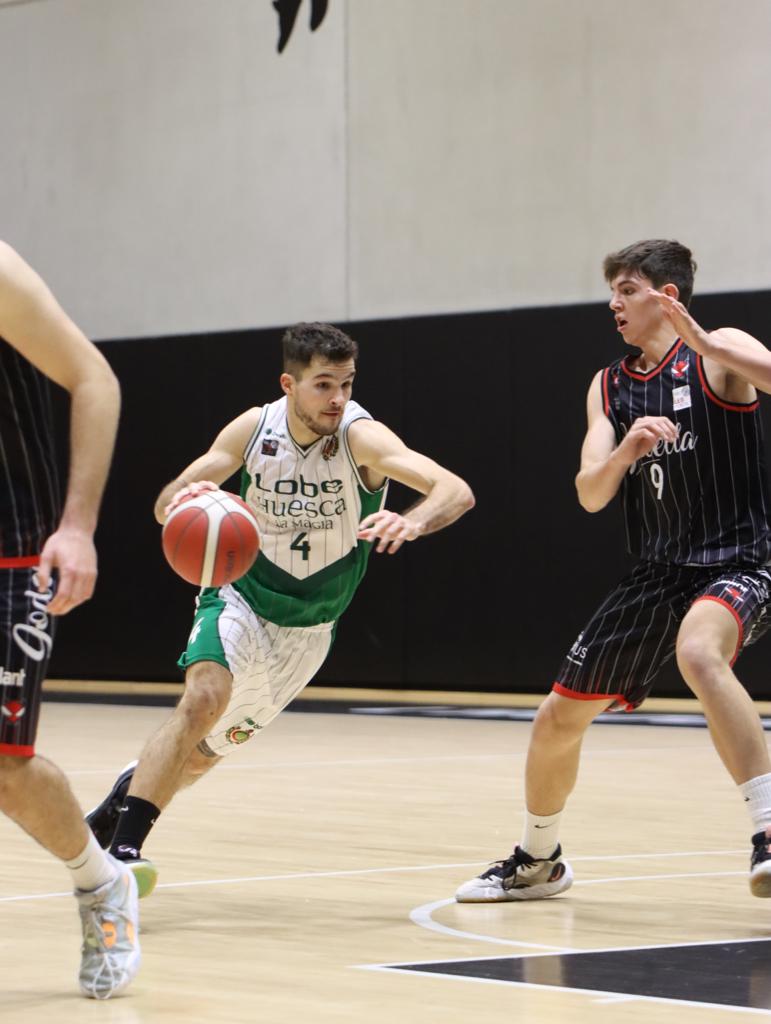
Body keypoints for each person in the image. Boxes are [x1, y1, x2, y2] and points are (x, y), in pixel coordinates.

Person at [87, 321, 475, 896]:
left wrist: (412, 520)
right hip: (239, 594)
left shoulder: (361, 437)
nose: (338, 398)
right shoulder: (253, 428)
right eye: (323, 385)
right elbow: (168, 502)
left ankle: (122, 798)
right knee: (203, 698)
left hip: (310, 629)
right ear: (289, 384)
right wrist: (186, 502)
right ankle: (125, 851)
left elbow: (455, 488)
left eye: (346, 383)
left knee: (198, 758)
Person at [456, 238, 771, 903]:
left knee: (698, 653)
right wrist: (625, 448)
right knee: (554, 720)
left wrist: (709, 347)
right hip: (657, 572)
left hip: (740, 558)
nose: (613, 304)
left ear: (667, 296)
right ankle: (538, 859)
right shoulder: (610, 386)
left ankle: (767, 828)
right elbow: (589, 492)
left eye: (627, 289)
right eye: (612, 291)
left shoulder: (719, 354)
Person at [0, 241, 140, 997]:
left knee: (5, 768)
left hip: (12, 545)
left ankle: (101, 883)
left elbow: (95, 379)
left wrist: (77, 525)